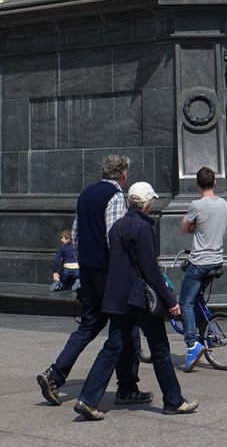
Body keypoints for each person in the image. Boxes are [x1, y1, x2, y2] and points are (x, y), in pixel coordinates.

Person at [73, 182, 197, 420]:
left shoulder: (117, 227)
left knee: (112, 346)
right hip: (138, 298)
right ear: (147, 204)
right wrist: (170, 299)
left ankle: (87, 399)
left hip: (118, 297)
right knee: (160, 348)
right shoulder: (142, 229)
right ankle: (173, 400)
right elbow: (150, 270)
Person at [37, 154, 146, 408]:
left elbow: (75, 234)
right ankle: (127, 387)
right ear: (124, 175)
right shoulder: (116, 196)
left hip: (88, 271)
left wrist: (86, 263)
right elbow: (115, 236)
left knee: (88, 326)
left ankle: (54, 375)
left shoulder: (85, 195)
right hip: (109, 274)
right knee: (127, 326)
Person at [178, 166, 227, 371]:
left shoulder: (196, 206)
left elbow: (183, 229)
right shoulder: (224, 204)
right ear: (215, 182)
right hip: (217, 260)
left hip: (200, 261)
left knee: (185, 303)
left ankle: (192, 344)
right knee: (197, 297)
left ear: (197, 184)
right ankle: (204, 332)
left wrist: (194, 227)